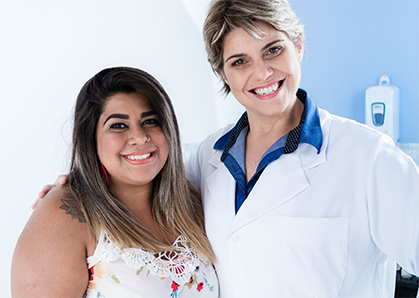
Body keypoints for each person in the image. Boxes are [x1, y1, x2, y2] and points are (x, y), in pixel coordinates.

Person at [34, 0, 419, 297]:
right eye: (240, 61)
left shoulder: (367, 158)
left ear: (298, 45)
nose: (262, 74)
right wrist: (74, 185)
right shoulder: (207, 158)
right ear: (222, 72)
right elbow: (139, 169)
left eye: (273, 50)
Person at [11, 67, 219, 297]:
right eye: (118, 125)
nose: (140, 137)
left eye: (150, 120)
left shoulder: (193, 199)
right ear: (90, 138)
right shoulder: (66, 213)